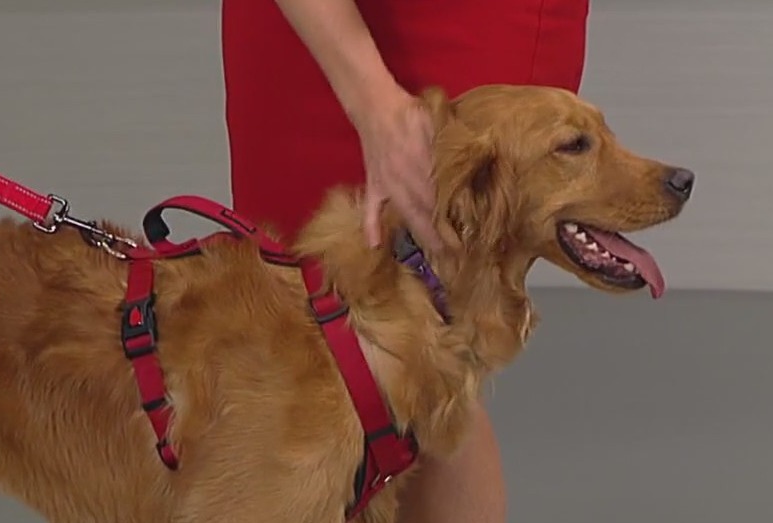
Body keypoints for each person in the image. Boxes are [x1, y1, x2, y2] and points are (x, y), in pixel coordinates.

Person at [221, 0, 590, 521]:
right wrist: (373, 102)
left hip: (468, 18)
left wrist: (384, 108)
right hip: (302, 27)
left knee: (430, 344)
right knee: (295, 333)